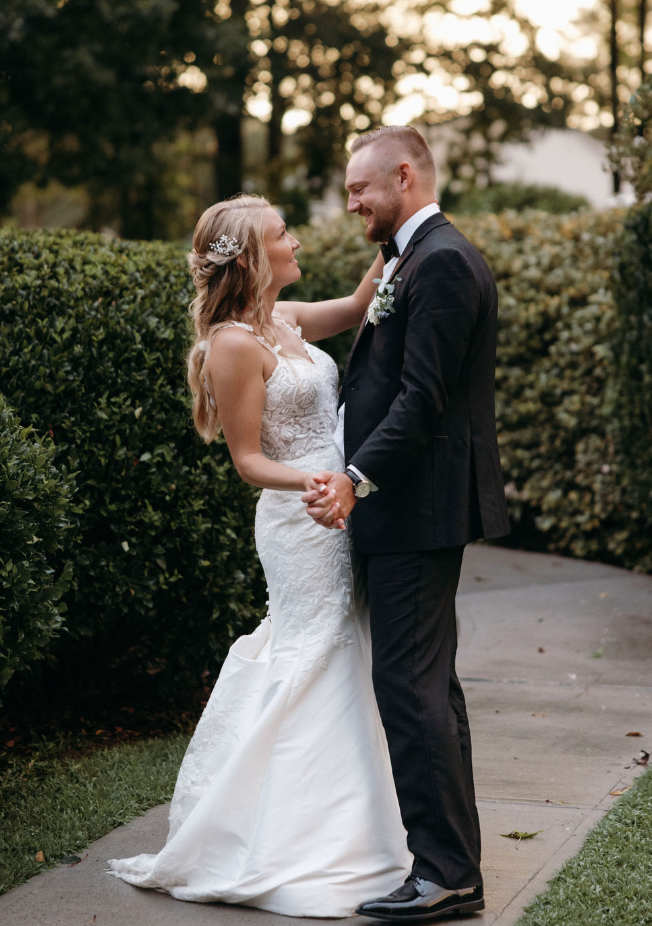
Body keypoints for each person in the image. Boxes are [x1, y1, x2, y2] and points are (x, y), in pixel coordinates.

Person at [106, 194, 412, 916]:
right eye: (284, 234)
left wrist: (401, 226)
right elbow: (246, 458)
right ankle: (294, 840)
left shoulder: (288, 320)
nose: (297, 241)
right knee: (317, 651)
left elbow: (363, 302)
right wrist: (318, 480)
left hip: (340, 504)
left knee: (347, 651)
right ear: (251, 256)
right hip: (299, 518)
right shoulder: (234, 344)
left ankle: (356, 825)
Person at [302, 126, 510, 921]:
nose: (352, 203)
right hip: (406, 508)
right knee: (429, 685)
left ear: (404, 175)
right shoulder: (408, 258)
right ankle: (453, 865)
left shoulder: (445, 262)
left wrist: (356, 479)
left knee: (411, 686)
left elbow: (422, 398)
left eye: (360, 189)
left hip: (414, 507)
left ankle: (444, 874)